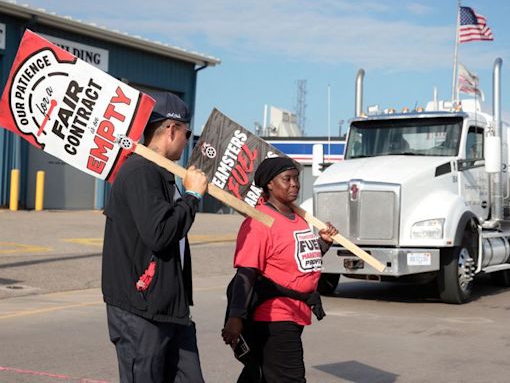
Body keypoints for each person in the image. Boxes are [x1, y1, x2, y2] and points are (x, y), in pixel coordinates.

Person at [101, 92, 208, 383]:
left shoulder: (163, 174)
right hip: (141, 310)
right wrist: (192, 197)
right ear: (171, 129)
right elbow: (160, 233)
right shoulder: (140, 171)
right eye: (187, 134)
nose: (187, 141)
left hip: (169, 307)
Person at [221, 156, 338, 383]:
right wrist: (236, 317)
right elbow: (246, 273)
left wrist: (323, 243)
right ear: (269, 185)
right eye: (287, 179)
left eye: (296, 178)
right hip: (274, 316)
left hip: (296, 312)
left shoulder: (299, 219)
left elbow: (301, 261)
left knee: (259, 375)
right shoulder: (259, 222)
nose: (294, 184)